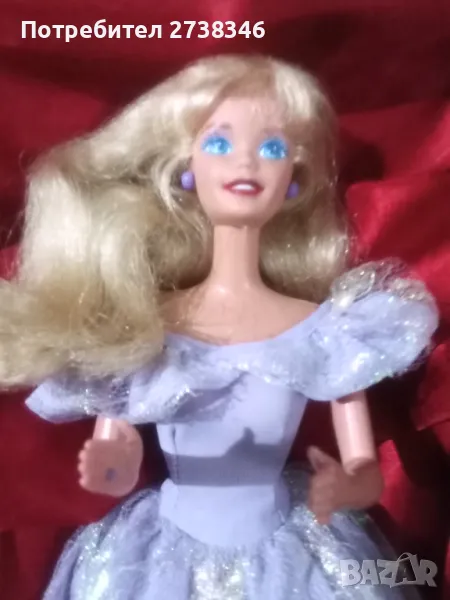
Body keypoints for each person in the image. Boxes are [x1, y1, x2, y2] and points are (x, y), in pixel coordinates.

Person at [0, 54, 438, 599]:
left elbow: (364, 466)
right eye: (219, 143)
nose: (246, 162)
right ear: (186, 170)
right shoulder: (143, 324)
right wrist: (116, 465)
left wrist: (352, 485)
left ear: (294, 180)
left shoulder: (328, 331)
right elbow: (110, 466)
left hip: (291, 557)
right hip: (164, 558)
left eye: (272, 148)